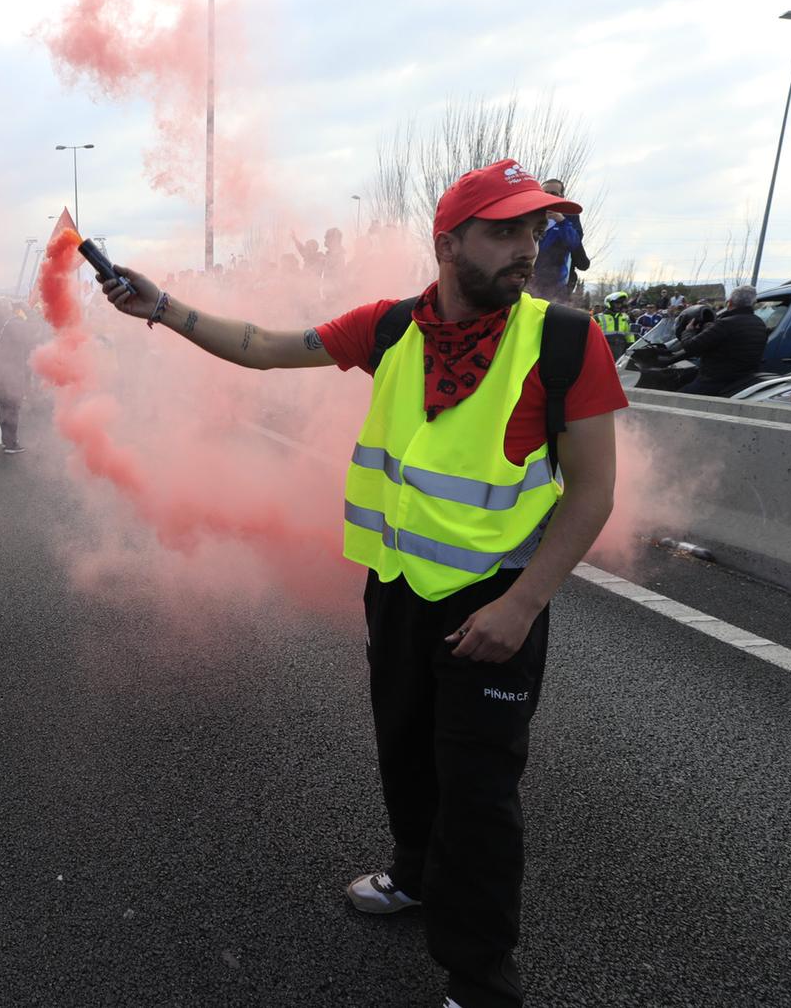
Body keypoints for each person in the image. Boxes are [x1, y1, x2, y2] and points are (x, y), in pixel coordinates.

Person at [100, 159, 625, 1008]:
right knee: (406, 752)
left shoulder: (565, 340)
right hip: (398, 589)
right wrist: (160, 307)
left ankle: (481, 981)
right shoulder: (389, 329)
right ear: (448, 243)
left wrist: (521, 606)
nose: (526, 248)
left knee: (481, 799)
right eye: (505, 231)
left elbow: (594, 492)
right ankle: (416, 876)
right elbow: (265, 350)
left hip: (495, 602)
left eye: (534, 230)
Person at [669, 285, 769, 397]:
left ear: (729, 303)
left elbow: (691, 347)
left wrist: (688, 331)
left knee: (673, 399)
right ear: (753, 303)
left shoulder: (725, 324)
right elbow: (732, 343)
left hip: (716, 380)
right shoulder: (759, 323)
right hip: (744, 378)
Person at [0, 297, 34, 454]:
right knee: (13, 407)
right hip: (12, 372)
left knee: (3, 407)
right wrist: (26, 309)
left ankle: (6, 440)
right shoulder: (15, 323)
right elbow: (35, 330)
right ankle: (11, 444)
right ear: (9, 309)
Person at [594, 292, 634, 357]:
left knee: (619, 366)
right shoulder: (598, 317)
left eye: (620, 303)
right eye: (616, 303)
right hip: (603, 347)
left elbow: (629, 333)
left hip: (620, 348)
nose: (619, 306)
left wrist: (631, 345)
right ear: (609, 303)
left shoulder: (625, 317)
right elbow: (592, 334)